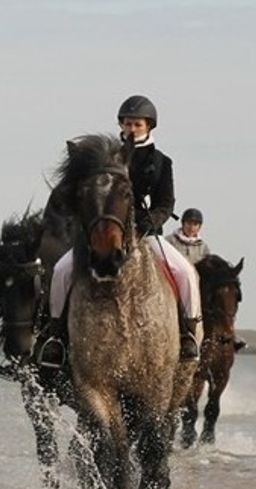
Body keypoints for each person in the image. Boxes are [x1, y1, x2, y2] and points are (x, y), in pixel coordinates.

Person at [36, 95, 202, 372]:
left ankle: (187, 333)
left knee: (184, 273)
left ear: (149, 126)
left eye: (137, 123)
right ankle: (55, 336)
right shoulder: (105, 157)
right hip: (103, 233)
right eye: (127, 123)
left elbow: (166, 202)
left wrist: (148, 222)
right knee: (63, 271)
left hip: (146, 234)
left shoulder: (161, 162)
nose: (132, 128)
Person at [166, 208, 246, 351]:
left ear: (199, 227)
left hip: (198, 286)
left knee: (222, 300)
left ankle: (229, 333)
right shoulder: (170, 242)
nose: (192, 227)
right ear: (183, 224)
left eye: (196, 224)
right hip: (174, 283)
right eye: (189, 223)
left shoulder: (203, 247)